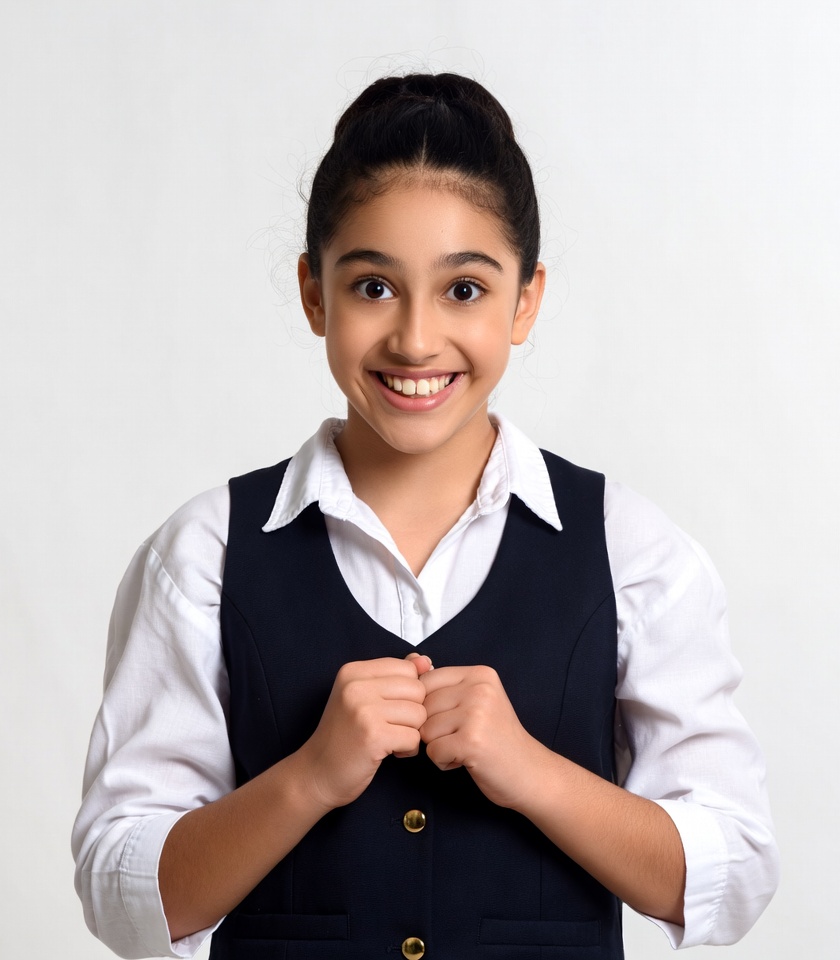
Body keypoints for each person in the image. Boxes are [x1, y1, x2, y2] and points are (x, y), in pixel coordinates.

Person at [72, 73, 779, 959]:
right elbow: (125, 895)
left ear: (526, 299)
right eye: (373, 287)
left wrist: (530, 770)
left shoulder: (630, 553)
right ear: (313, 293)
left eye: (465, 290)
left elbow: (730, 873)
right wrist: (310, 777)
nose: (413, 338)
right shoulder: (205, 554)